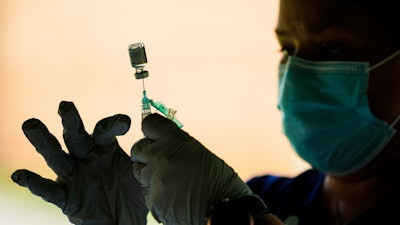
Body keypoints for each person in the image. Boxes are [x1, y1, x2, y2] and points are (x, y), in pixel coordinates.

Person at [11, 0, 400, 224]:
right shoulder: (267, 197)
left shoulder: (241, 208)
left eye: (333, 49)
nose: (296, 75)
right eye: (288, 50)